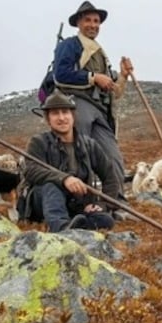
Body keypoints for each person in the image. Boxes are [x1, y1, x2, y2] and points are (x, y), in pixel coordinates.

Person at [53, 0, 133, 220]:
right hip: (77, 104)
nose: (93, 24)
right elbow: (60, 75)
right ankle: (81, 205)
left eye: (96, 21)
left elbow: (114, 91)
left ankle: (116, 204)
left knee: (112, 156)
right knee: (80, 155)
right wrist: (93, 77)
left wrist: (123, 75)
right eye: (88, 20)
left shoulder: (99, 54)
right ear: (78, 22)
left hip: (99, 111)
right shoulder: (70, 45)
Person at [18, 90, 117, 232]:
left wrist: (103, 204)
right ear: (48, 119)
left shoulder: (89, 145)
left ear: (73, 116)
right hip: (44, 203)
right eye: (55, 113)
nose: (61, 117)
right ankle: (61, 229)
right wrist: (64, 179)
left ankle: (77, 226)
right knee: (51, 186)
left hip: (78, 205)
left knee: (105, 220)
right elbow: (31, 170)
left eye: (65, 112)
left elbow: (109, 176)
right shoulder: (38, 142)